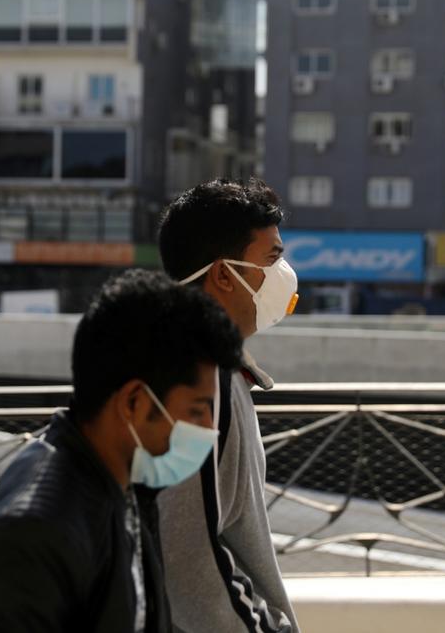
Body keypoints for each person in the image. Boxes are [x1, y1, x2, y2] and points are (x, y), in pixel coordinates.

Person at [0, 270, 244, 633]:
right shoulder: (34, 534)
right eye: (197, 411)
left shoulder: (124, 484)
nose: (207, 431)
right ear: (135, 402)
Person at [156, 179, 300, 633]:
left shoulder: (197, 363)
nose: (285, 274)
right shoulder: (199, 379)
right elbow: (185, 556)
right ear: (223, 274)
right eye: (272, 259)